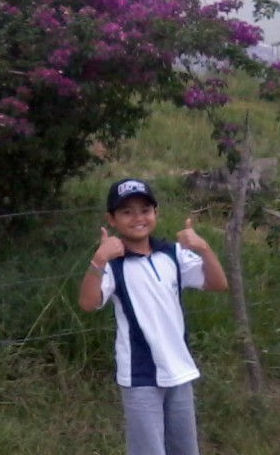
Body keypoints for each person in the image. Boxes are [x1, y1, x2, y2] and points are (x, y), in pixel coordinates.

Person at [78, 178, 228, 455]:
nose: (138, 218)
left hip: (180, 370)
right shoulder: (113, 265)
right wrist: (98, 259)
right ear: (111, 220)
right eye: (127, 212)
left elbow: (218, 284)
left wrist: (203, 248)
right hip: (140, 375)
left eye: (145, 210)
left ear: (155, 214)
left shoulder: (173, 255)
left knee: (185, 449)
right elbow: (87, 303)